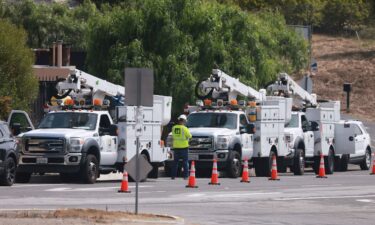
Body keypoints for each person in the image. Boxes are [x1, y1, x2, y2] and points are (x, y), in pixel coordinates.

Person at [171, 114, 192, 179]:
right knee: (185, 162)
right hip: (184, 147)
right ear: (184, 121)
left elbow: (173, 136)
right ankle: (186, 176)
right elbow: (189, 136)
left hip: (176, 147)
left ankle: (173, 176)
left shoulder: (174, 128)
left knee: (175, 162)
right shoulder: (184, 128)